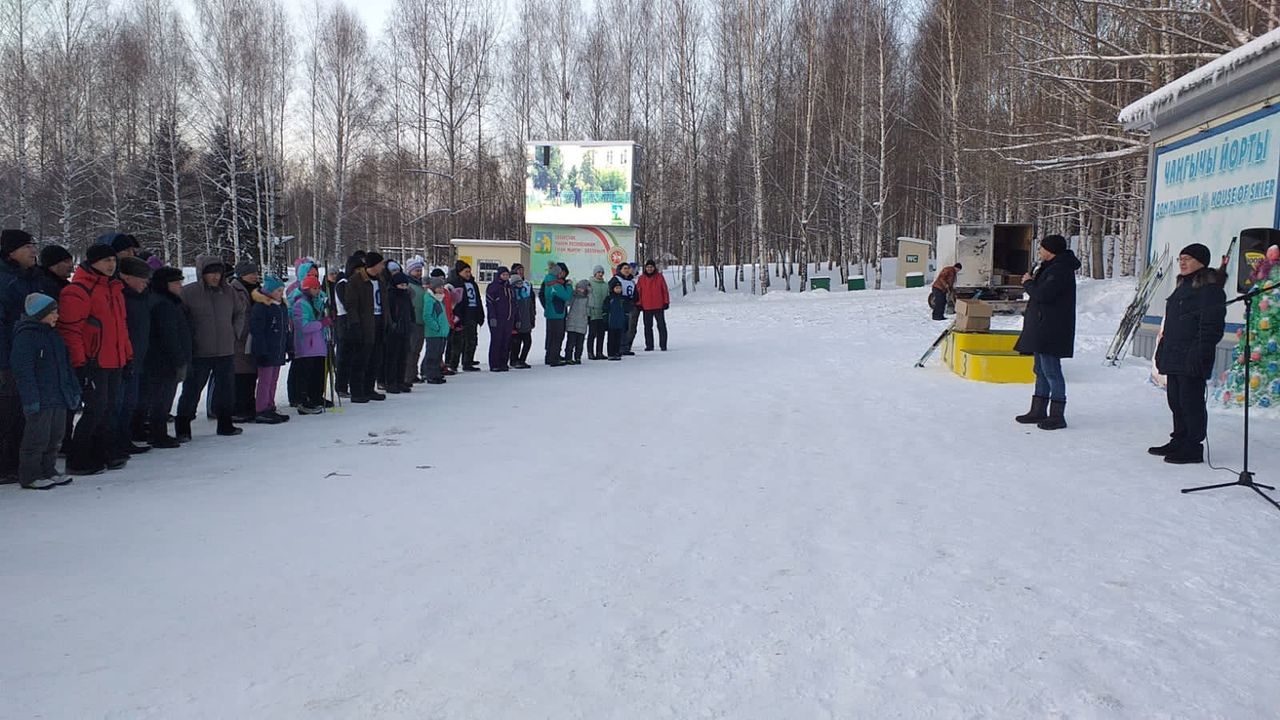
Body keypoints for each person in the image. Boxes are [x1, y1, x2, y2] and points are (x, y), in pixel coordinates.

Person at [58, 244, 133, 474]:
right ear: (93, 263)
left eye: (112, 260)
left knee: (109, 409)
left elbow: (121, 327)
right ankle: (78, 458)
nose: (111, 265)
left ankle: (102, 453)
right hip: (94, 362)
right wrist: (81, 363)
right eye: (105, 261)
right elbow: (71, 331)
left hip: (114, 360)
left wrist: (127, 356)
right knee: (95, 410)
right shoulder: (78, 290)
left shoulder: (114, 288)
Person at [1150, 243, 1227, 464]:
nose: (1182, 262)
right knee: (1175, 400)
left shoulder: (1210, 290)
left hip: (1192, 357)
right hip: (1174, 354)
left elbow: (1211, 329)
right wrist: (1162, 348)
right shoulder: (1182, 286)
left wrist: (1199, 354)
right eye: (1180, 258)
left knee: (1190, 402)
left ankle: (1193, 446)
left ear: (1201, 262)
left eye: (1188, 258)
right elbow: (1173, 324)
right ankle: (1179, 439)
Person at [10, 294, 78, 489]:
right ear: (40, 314)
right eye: (52, 312)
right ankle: (30, 474)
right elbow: (23, 371)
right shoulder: (26, 337)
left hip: (58, 395)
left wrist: (71, 389)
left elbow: (65, 366)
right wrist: (31, 399)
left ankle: (48, 469)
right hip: (40, 398)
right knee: (37, 438)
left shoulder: (53, 335)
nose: (57, 315)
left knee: (55, 436)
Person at [1013, 234, 1079, 430]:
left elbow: (1043, 294)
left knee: (1051, 371)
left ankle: (1057, 415)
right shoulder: (1050, 267)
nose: (1039, 252)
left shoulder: (1060, 270)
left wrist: (1028, 283)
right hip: (1042, 327)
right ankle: (1038, 410)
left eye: (1042, 248)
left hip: (1052, 328)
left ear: (1051, 250)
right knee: (1040, 370)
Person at [176, 255, 245, 440]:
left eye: (218, 273)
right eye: (211, 273)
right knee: (192, 390)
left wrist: (234, 332)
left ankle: (225, 423)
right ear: (202, 274)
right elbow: (181, 319)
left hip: (225, 350)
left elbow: (239, 313)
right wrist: (189, 340)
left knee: (226, 390)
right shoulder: (188, 293)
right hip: (200, 351)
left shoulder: (229, 292)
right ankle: (183, 425)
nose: (215, 277)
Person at [0, 229, 38, 483]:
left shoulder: (27, 277)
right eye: (27, 247)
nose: (33, 251)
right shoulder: (6, 280)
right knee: (8, 411)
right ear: (11, 252)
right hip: (8, 358)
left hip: (27, 354)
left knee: (21, 410)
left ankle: (14, 462)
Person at [144, 267, 191, 448]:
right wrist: (179, 360)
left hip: (163, 359)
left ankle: (157, 431)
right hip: (163, 361)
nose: (180, 286)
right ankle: (158, 433)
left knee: (162, 397)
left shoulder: (168, 302)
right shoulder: (163, 304)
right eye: (176, 283)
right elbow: (169, 336)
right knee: (161, 398)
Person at [116, 257, 154, 456]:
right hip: (123, 359)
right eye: (142, 279)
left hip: (138, 357)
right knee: (121, 403)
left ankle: (125, 437)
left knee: (131, 402)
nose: (145, 283)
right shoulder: (121, 297)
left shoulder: (141, 297)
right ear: (128, 278)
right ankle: (117, 440)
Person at [346, 251, 386, 403]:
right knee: (361, 359)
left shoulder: (380, 280)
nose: (382, 267)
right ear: (374, 265)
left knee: (375, 359)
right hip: (364, 323)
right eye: (380, 264)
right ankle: (357, 391)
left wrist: (388, 321)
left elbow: (385, 303)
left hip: (379, 322)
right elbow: (351, 305)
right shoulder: (356, 281)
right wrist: (355, 324)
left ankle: (369, 388)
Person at [249, 276, 291, 423]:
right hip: (266, 350)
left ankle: (270, 405)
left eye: (282, 290)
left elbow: (286, 329)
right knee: (265, 380)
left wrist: (289, 347)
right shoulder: (261, 307)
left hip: (278, 349)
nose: (281, 293)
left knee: (273, 380)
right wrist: (261, 350)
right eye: (278, 290)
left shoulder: (281, 306)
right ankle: (261, 408)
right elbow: (257, 332)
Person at [292, 275, 331, 414]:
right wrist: (321, 323)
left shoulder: (316, 301)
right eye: (314, 288)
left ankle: (316, 397)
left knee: (318, 373)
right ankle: (304, 400)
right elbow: (303, 326)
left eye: (318, 288)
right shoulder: (300, 304)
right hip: (307, 346)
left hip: (318, 345)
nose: (317, 291)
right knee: (306, 375)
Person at [229, 261, 261, 422]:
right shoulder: (235, 289)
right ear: (242, 274)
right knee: (240, 374)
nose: (255, 276)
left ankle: (249, 405)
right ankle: (238, 408)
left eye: (256, 273)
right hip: (240, 337)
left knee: (251, 373)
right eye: (251, 273)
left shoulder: (256, 289)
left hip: (253, 336)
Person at [447, 260, 483, 372]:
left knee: (472, 340)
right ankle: (453, 364)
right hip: (461, 316)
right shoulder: (454, 283)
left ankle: (468, 362)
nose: (468, 274)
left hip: (472, 315)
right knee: (457, 342)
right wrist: (456, 316)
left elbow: (478, 299)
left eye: (469, 271)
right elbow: (453, 303)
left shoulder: (473, 283)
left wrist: (480, 314)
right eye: (466, 271)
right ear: (459, 272)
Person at [383, 270, 414, 393]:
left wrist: (411, 322)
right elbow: (389, 313)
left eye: (405, 285)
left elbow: (410, 311)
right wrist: (392, 326)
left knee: (403, 357)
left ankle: (400, 381)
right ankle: (391, 382)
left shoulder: (406, 296)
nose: (404, 288)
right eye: (401, 285)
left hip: (405, 329)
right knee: (392, 358)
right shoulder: (391, 295)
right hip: (394, 331)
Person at [636, 259, 671, 351]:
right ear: (645, 268)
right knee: (647, 327)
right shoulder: (641, 278)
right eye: (648, 267)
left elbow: (664, 290)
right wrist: (639, 303)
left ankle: (663, 345)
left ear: (654, 268)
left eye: (651, 267)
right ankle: (649, 345)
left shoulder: (659, 277)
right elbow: (638, 292)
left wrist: (666, 301)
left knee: (661, 325)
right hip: (646, 306)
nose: (649, 269)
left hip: (658, 305)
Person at [421, 276, 450, 385]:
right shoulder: (429, 299)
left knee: (438, 354)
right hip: (433, 333)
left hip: (441, 332)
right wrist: (436, 326)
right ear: (433, 288)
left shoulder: (439, 299)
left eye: (442, 286)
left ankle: (436, 373)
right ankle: (429, 374)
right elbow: (427, 316)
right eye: (439, 287)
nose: (442, 289)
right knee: (432, 354)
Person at [542, 262, 572, 366]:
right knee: (557, 336)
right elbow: (567, 296)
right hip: (557, 313)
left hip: (551, 312)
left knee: (552, 336)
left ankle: (550, 357)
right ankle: (554, 359)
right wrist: (569, 286)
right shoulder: (556, 284)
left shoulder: (548, 281)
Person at [404, 256, 427, 384]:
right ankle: (407, 375)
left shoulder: (420, 285)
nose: (419, 273)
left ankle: (413, 373)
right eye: (416, 270)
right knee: (411, 350)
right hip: (413, 321)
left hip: (421, 320)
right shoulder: (409, 285)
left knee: (417, 349)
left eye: (420, 270)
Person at [510, 268, 536, 369]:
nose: (520, 284)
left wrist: (532, 319)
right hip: (516, 324)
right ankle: (514, 360)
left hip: (526, 323)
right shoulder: (512, 295)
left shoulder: (526, 293)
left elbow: (530, 308)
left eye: (521, 282)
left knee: (528, 342)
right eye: (517, 283)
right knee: (515, 343)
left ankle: (522, 360)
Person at [615, 262, 639, 355]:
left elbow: (636, 294)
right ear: (620, 270)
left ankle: (625, 347)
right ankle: (618, 347)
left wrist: (633, 301)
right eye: (624, 268)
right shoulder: (616, 279)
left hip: (628, 306)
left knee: (627, 327)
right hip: (619, 306)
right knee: (619, 327)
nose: (627, 270)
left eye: (628, 268)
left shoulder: (631, 281)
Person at [565, 279, 590, 364]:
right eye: (578, 288)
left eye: (582, 288)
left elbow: (591, 305)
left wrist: (590, 292)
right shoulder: (573, 296)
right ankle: (568, 357)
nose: (580, 290)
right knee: (570, 342)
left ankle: (578, 357)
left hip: (582, 323)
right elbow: (567, 303)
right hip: (572, 323)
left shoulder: (588, 298)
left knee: (580, 343)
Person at [604, 276, 629, 361]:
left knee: (618, 339)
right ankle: (611, 353)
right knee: (611, 339)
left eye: (619, 288)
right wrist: (605, 321)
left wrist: (626, 322)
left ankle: (617, 352)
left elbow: (626, 311)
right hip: (611, 323)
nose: (618, 289)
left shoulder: (623, 299)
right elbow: (605, 310)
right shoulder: (609, 298)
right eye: (616, 288)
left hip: (620, 323)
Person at [587, 265, 608, 360]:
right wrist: (588, 312)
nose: (600, 274)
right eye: (598, 272)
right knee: (592, 334)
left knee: (601, 334)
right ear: (595, 273)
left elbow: (608, 297)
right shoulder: (590, 284)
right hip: (593, 313)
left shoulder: (605, 285)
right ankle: (590, 352)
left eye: (602, 272)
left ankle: (599, 352)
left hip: (602, 313)